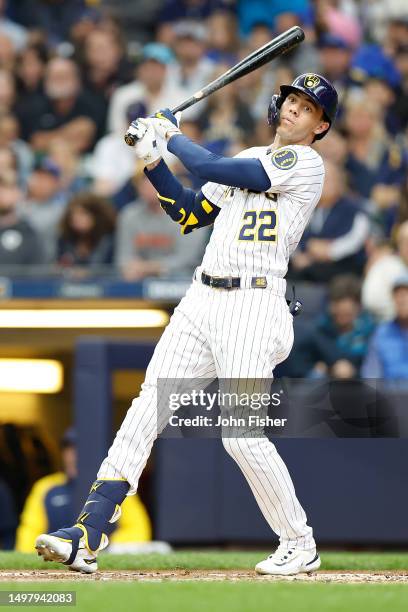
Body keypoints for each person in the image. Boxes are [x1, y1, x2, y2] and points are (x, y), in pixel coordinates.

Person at [35, 72, 338, 576]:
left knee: (240, 436)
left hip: (253, 304)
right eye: (290, 101)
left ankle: (298, 540)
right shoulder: (246, 160)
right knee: (147, 406)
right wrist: (153, 160)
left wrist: (171, 135)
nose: (293, 111)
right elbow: (189, 212)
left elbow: (212, 164)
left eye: (306, 109)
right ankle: (86, 533)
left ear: (320, 126)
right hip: (202, 298)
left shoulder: (303, 163)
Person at [16, 428, 151, 552]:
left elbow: (138, 529)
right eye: (69, 449)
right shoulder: (46, 487)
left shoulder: (115, 484)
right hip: (55, 561)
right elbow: (28, 535)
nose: (73, 456)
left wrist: (101, 549)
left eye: (81, 450)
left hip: (101, 564)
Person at [361, 273, 408, 379]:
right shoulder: (381, 333)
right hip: (390, 393)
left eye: (406, 294)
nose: (402, 300)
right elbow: (371, 374)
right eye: (398, 295)